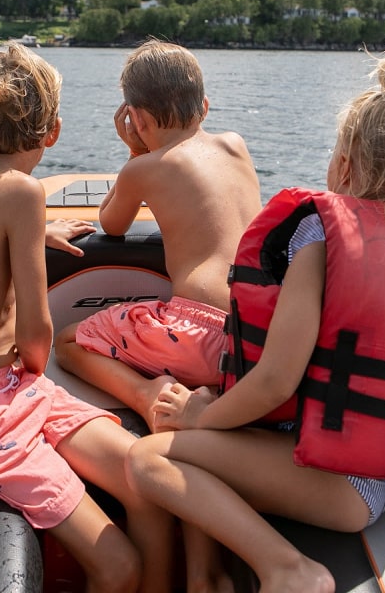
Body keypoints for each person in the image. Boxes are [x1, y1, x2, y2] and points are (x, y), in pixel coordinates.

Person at [126, 47, 385, 593]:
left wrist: (197, 417)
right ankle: (209, 581)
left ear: (345, 164)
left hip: (332, 482)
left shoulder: (320, 236)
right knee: (199, 441)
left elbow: (278, 379)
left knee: (149, 459)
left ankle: (288, 568)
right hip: (372, 477)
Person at [0, 42, 173, 593]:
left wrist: (30, 234)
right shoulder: (23, 195)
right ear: (53, 132)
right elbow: (35, 333)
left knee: (148, 478)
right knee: (120, 565)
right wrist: (29, 230)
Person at [54, 38, 261, 593]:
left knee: (70, 340)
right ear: (207, 108)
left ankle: (150, 397)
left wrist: (134, 155)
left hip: (193, 330)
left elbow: (113, 226)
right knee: (196, 449)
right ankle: (205, 574)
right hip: (253, 339)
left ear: (136, 118)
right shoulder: (237, 146)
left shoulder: (145, 167)